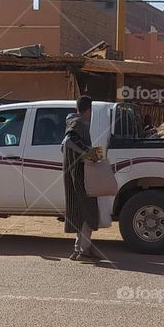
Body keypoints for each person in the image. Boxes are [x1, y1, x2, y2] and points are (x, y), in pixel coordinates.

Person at [62, 95, 103, 261]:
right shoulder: (79, 123)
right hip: (80, 176)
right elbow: (68, 141)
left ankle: (79, 249)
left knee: (81, 211)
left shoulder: (72, 121)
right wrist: (89, 152)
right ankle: (84, 250)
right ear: (89, 110)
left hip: (75, 173)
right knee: (88, 210)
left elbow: (63, 146)